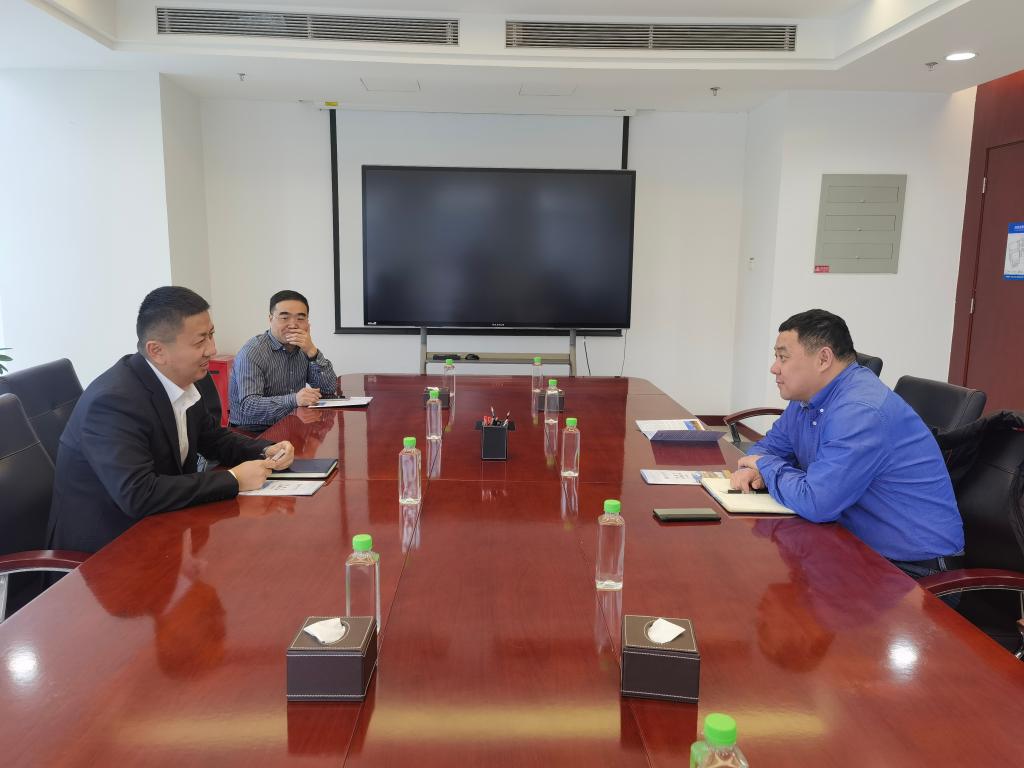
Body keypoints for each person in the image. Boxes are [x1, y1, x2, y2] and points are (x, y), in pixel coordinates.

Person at [48, 286, 294, 553]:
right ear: (157, 351)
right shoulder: (113, 402)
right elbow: (138, 494)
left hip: (163, 526)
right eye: (200, 342)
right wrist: (233, 479)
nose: (212, 350)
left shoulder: (184, 378)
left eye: (211, 335)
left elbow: (213, 439)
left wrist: (265, 449)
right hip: (105, 550)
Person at [730, 309, 964, 577]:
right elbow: (767, 449)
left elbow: (816, 501)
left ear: (823, 359)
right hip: (852, 544)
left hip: (912, 569)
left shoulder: (860, 410)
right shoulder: (806, 398)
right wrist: (757, 469)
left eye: (783, 357)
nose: (774, 367)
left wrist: (766, 467)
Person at [229, 290, 339, 429]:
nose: (293, 325)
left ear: (307, 322)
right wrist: (294, 400)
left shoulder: (304, 348)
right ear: (270, 319)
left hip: (293, 422)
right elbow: (249, 407)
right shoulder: (252, 351)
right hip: (254, 430)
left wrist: (312, 352)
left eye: (300, 318)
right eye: (284, 318)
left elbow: (329, 388)